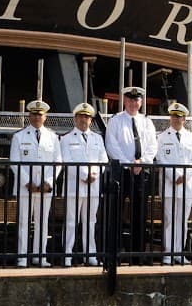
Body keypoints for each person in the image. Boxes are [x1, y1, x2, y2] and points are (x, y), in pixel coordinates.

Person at [104, 85, 157, 256]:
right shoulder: (115, 120)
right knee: (116, 213)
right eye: (130, 100)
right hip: (122, 172)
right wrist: (129, 164)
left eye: (136, 100)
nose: (133, 103)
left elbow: (152, 146)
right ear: (125, 101)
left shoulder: (147, 122)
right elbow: (111, 146)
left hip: (141, 173)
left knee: (140, 213)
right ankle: (115, 253)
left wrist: (141, 162)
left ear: (141, 102)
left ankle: (137, 254)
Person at [10, 99, 62, 266]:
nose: (37, 117)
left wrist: (49, 181)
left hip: (45, 188)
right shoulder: (19, 136)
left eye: (40, 114)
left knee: (42, 223)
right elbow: (14, 162)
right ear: (29, 116)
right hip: (26, 187)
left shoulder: (53, 137)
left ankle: (40, 256)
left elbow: (58, 162)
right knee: (24, 222)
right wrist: (27, 182)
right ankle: (22, 257)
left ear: (45, 117)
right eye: (34, 114)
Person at [60, 102, 108, 265]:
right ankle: (67, 255)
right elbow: (66, 160)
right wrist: (84, 175)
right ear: (75, 118)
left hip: (93, 186)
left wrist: (94, 174)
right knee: (71, 221)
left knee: (90, 222)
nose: (83, 120)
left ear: (91, 120)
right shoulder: (66, 139)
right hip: (74, 186)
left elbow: (103, 159)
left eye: (87, 117)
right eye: (80, 116)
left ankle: (91, 255)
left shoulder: (97, 138)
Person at [156, 101, 192, 264]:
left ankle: (179, 252)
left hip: (186, 185)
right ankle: (168, 253)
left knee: (182, 220)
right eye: (174, 116)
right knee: (169, 219)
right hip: (169, 184)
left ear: (184, 119)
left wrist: (185, 175)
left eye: (179, 117)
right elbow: (160, 159)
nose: (176, 119)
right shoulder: (161, 137)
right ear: (170, 117)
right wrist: (174, 175)